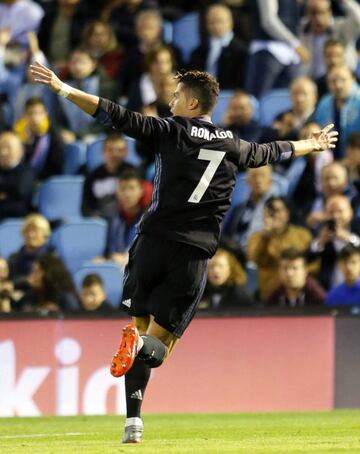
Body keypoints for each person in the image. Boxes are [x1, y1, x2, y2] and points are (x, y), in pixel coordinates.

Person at [30, 60, 338, 444]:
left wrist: (63, 89)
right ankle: (138, 371)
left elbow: (115, 114)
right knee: (157, 345)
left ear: (192, 105)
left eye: (177, 96)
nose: (171, 101)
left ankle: (133, 423)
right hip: (192, 254)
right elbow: (271, 151)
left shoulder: (169, 130)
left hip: (151, 243)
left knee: (137, 329)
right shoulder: (234, 145)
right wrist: (312, 143)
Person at [247, 196, 313, 301]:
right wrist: (266, 237)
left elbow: (312, 262)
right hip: (269, 296)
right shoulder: (257, 237)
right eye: (270, 211)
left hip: (300, 296)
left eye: (277, 210)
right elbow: (255, 259)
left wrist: (298, 275)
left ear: (287, 213)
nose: (274, 215)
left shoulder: (302, 235)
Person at [307, 194, 360, 290]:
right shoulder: (321, 231)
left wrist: (349, 238)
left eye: (340, 211)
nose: (336, 216)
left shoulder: (357, 228)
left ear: (350, 213)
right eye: (331, 212)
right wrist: (321, 242)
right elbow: (307, 258)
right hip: (331, 288)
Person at [189, 4, 248, 90]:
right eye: (211, 22)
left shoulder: (242, 51)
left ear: (230, 22)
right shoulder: (197, 53)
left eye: (220, 21)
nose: (216, 26)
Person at [81, 133, 134, 218]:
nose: (115, 154)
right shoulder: (93, 176)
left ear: (126, 152)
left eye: (119, 150)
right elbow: (86, 208)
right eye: (110, 150)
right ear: (103, 152)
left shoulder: (133, 173)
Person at [314, 65, 360, 159]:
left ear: (353, 79)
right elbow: (317, 128)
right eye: (333, 81)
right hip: (329, 161)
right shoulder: (324, 103)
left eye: (343, 80)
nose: (338, 85)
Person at [14, 97, 64, 181]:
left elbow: (57, 167)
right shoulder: (18, 136)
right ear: (24, 115)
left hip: (46, 181)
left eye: (39, 113)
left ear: (46, 113)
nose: (35, 118)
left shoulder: (54, 136)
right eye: (30, 113)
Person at [8, 213, 53, 289]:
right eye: (27, 231)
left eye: (35, 231)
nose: (30, 235)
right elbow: (11, 280)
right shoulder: (14, 258)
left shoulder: (51, 257)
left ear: (45, 235)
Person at [0, 131, 35, 220]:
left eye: (8, 148)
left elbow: (20, 190)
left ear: (19, 151)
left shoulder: (26, 171)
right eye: (1, 147)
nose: (3, 152)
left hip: (16, 219)